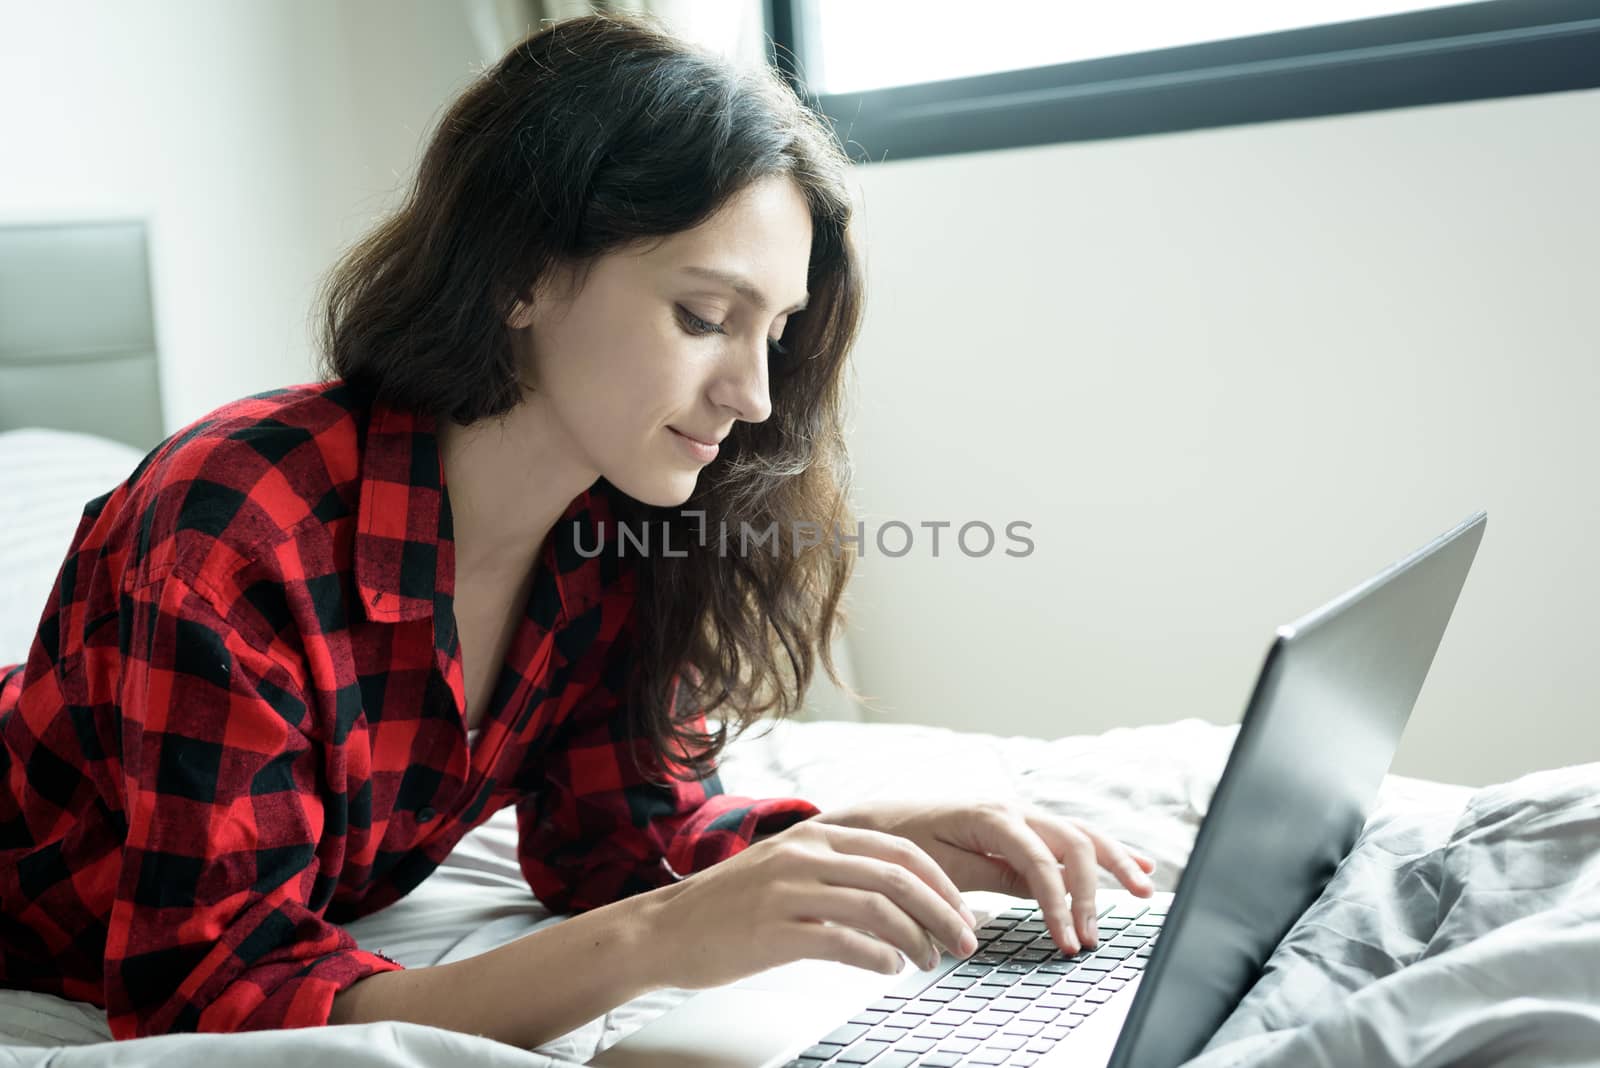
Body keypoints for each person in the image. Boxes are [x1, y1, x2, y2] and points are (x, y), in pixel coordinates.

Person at [0, 11, 1155, 1052]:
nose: (753, 395)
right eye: (704, 316)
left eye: (776, 331)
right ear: (521, 276)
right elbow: (209, 998)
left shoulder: (616, 529)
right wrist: (655, 942)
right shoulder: (233, 536)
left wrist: (881, 846)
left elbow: (621, 837)